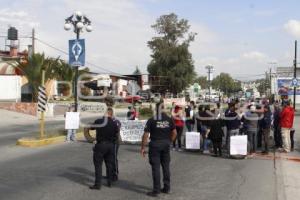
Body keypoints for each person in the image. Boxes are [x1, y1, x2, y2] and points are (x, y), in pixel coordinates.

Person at [141, 102, 177, 197]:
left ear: (156, 109)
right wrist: (169, 141)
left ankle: (156, 190)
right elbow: (174, 133)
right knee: (166, 167)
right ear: (164, 108)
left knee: (156, 168)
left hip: (155, 145)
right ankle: (167, 188)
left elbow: (145, 135)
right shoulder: (169, 120)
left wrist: (143, 148)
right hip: (165, 144)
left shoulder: (152, 120)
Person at [89, 108, 119, 190]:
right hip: (111, 146)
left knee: (98, 165)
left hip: (101, 145)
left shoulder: (99, 121)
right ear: (111, 114)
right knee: (109, 164)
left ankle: (98, 185)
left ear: (105, 113)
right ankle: (109, 182)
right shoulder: (114, 123)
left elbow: (91, 128)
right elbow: (117, 133)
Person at [111, 115, 122, 182]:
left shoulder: (116, 121)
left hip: (115, 141)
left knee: (114, 157)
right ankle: (110, 173)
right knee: (109, 158)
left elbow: (117, 131)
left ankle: (115, 173)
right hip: (110, 142)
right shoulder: (110, 121)